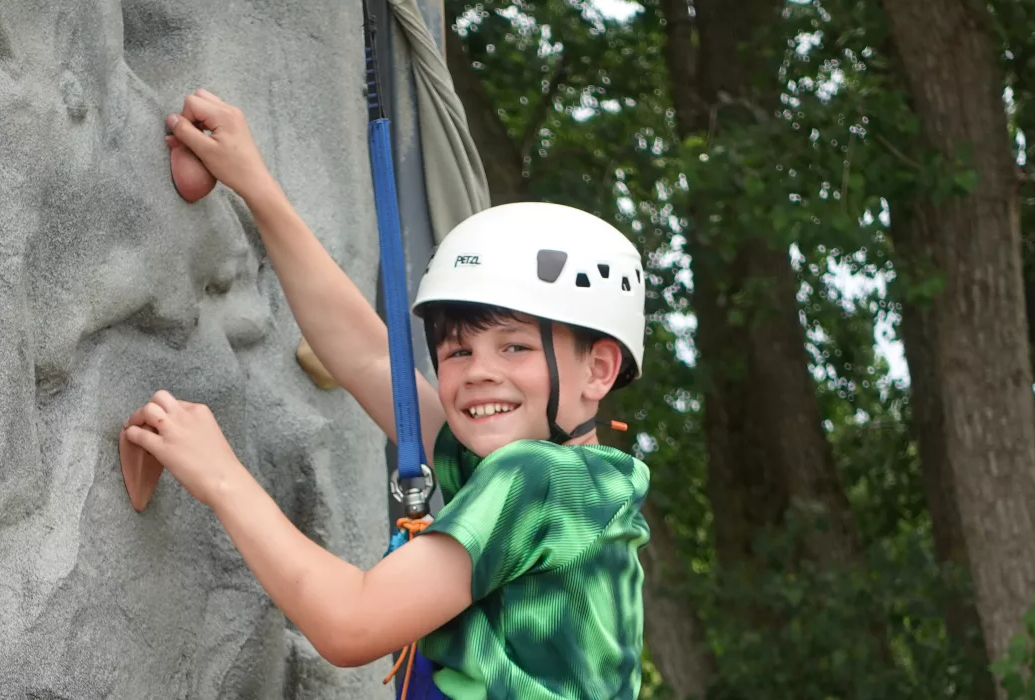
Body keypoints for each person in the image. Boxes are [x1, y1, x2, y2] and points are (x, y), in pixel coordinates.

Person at [122, 89, 651, 699]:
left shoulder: (537, 480)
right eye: (457, 350)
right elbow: (371, 356)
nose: (478, 371)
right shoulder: (568, 482)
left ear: (598, 369)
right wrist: (257, 188)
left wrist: (220, 476)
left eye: (514, 347)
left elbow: (352, 622)